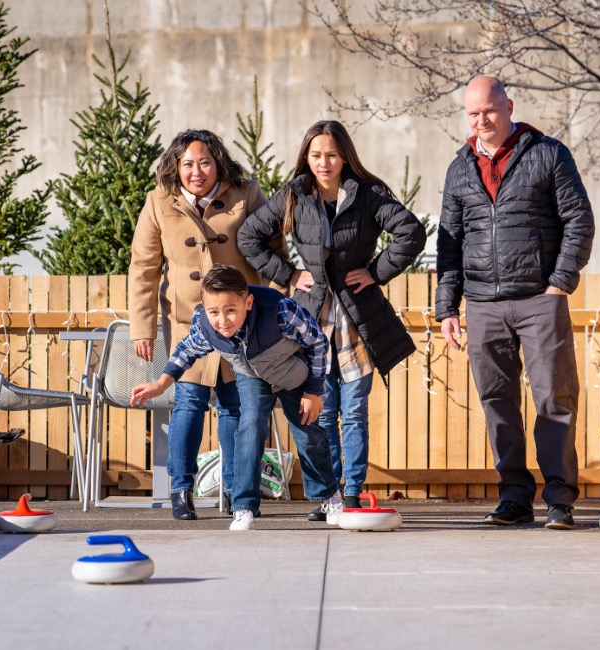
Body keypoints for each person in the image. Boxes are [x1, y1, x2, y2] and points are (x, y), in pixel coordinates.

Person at [238, 120, 426, 520]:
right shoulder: (294, 193)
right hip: (311, 316)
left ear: (345, 157)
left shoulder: (370, 193)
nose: (324, 163)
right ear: (306, 156)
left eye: (332, 155)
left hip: (358, 315)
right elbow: (248, 237)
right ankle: (331, 497)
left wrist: (376, 271)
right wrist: (288, 275)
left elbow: (411, 232)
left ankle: (353, 494)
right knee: (322, 410)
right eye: (316, 155)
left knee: (354, 410)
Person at [435, 76, 595, 530]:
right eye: (472, 113)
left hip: (538, 300)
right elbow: (449, 244)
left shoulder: (548, 153)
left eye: (488, 110)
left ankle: (560, 500)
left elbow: (579, 221)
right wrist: (447, 308)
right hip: (483, 303)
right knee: (497, 402)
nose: (481, 120)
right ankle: (515, 498)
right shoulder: (460, 167)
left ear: (508, 106)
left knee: (553, 399)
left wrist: (559, 284)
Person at [128, 129, 285, 521]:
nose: (196, 171)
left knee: (236, 403)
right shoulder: (158, 202)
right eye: (187, 164)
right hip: (187, 320)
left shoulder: (246, 195)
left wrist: (277, 313)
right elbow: (143, 270)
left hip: (240, 321)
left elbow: (274, 253)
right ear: (175, 167)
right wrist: (142, 328)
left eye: (204, 162)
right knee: (189, 402)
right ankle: (181, 489)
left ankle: (236, 488)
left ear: (217, 163)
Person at [131, 264, 345, 531]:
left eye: (231, 310)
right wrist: (161, 383)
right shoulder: (205, 325)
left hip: (292, 372)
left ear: (248, 301)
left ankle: (330, 498)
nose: (223, 320)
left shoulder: (280, 311)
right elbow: (185, 351)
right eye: (214, 312)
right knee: (249, 426)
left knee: (308, 433)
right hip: (251, 376)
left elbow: (317, 342)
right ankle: (243, 507)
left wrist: (314, 391)